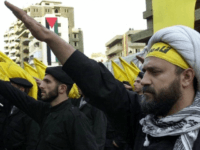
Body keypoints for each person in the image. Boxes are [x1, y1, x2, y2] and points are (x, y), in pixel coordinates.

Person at [5, 2, 200, 150]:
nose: (145, 79)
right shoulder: (141, 118)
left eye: (155, 72)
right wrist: (48, 37)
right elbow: (98, 82)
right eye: (145, 70)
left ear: (186, 77)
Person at [0, 65, 97, 150]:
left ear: (62, 88)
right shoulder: (45, 110)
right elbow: (16, 95)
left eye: (47, 82)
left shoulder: (75, 118)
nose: (41, 85)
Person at [3, 78, 40, 150]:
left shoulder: (30, 112)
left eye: (11, 88)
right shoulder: (8, 104)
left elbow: (33, 140)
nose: (8, 90)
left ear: (21, 89)